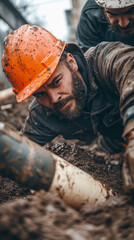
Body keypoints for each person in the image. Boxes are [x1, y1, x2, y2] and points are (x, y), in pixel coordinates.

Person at [2, 24, 134, 193]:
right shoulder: (42, 113)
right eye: (40, 94)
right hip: (111, 141)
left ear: (71, 62)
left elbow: (129, 68)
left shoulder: (104, 60)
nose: (54, 98)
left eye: (56, 82)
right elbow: (15, 154)